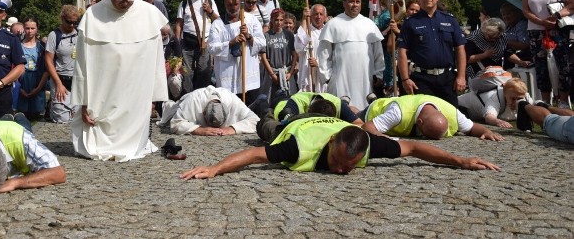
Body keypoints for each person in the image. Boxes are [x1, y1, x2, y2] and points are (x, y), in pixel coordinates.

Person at [179, 115, 499, 179]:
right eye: (338, 161)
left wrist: (460, 160)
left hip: (329, 119)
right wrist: (216, 168)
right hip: (294, 125)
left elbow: (414, 147)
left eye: (349, 165)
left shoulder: (369, 144)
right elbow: (254, 155)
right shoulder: (297, 148)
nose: (342, 170)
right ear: (332, 144)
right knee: (266, 128)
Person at [72, 0, 168, 161]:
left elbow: (157, 61)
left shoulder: (149, 14)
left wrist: (155, 98)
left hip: (135, 93)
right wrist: (83, 103)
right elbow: (81, 64)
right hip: (102, 94)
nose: (125, 3)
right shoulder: (93, 16)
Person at [398, 0, 467, 108]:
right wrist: (405, 79)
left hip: (447, 78)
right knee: (426, 118)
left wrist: (461, 76)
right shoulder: (410, 23)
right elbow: (402, 52)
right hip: (421, 79)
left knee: (451, 117)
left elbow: (460, 49)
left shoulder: (450, 20)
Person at [316, 0, 384, 109]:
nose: (355, 4)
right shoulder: (333, 24)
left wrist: (378, 74)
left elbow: (378, 53)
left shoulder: (369, 24)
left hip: (365, 79)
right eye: (351, 1)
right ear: (344, 3)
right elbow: (324, 54)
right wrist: (327, 77)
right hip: (340, 79)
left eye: (357, 2)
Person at [521, 0, 572, 106]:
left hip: (557, 30)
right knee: (541, 66)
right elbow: (526, 10)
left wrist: (556, 16)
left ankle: (563, 100)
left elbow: (571, 4)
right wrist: (540, 21)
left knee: (562, 64)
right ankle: (545, 100)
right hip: (536, 31)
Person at [361, 94, 503, 141]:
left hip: (395, 112)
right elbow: (367, 127)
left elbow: (472, 127)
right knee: (352, 118)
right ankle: (348, 105)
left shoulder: (453, 113)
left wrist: (486, 132)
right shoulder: (398, 113)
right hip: (374, 111)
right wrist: (384, 138)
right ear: (420, 122)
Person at [207, 0, 266, 103]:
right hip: (228, 77)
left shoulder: (251, 20)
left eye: (236, 4)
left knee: (253, 108)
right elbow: (211, 47)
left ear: (240, 4)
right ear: (225, 5)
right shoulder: (218, 24)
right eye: (230, 5)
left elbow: (262, 43)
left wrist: (249, 37)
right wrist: (230, 43)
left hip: (248, 76)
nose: (233, 8)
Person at [174, 0, 218, 94]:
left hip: (205, 42)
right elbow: (179, 24)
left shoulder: (210, 2)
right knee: (187, 72)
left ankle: (202, 96)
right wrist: (177, 43)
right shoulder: (184, 4)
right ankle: (187, 96)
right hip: (187, 43)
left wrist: (209, 11)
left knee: (203, 71)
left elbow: (218, 21)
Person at [158, 86, 259, 136]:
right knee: (168, 108)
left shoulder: (231, 100)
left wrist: (233, 128)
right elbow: (175, 123)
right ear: (204, 112)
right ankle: (157, 104)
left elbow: (255, 120)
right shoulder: (194, 100)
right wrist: (198, 129)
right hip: (180, 103)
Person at [44, 5, 80, 124]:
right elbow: (48, 61)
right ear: (62, 18)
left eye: (75, 22)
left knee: (77, 119)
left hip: (77, 80)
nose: (71, 25)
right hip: (60, 79)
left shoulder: (80, 34)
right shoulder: (54, 35)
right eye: (69, 22)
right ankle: (52, 108)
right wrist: (58, 84)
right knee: (62, 120)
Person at [458, 78, 529, 129]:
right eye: (513, 98)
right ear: (504, 93)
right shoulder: (495, 97)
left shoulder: (523, 94)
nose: (516, 101)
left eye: (519, 98)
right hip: (461, 107)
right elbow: (489, 118)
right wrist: (498, 122)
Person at [260, 9, 297, 105]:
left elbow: (294, 54)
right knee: (271, 99)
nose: (279, 23)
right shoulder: (266, 36)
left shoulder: (289, 35)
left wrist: (291, 72)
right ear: (272, 20)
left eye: (281, 20)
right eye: (276, 20)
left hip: (287, 72)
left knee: (288, 99)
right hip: (272, 72)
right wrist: (272, 75)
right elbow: (263, 57)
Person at [15, 17, 49, 120]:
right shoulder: (17, 45)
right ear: (24, 29)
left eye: (32, 28)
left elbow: (46, 69)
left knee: (37, 116)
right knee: (21, 114)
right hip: (22, 79)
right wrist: (19, 88)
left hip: (37, 80)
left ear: (37, 29)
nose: (30, 31)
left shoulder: (42, 47)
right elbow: (13, 67)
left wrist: (38, 88)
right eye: (27, 28)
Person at [295, 4, 328, 93]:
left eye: (321, 14)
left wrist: (318, 64)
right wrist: (304, 19)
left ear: (325, 17)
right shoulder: (306, 31)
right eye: (316, 14)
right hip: (308, 74)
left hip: (323, 76)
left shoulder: (328, 32)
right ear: (311, 16)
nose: (318, 17)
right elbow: (298, 47)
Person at [500, 3, 531, 69]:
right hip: (509, 60)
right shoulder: (507, 26)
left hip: (522, 60)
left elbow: (524, 44)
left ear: (516, 13)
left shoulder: (521, 24)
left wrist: (505, 41)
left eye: (508, 13)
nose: (505, 16)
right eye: (503, 14)